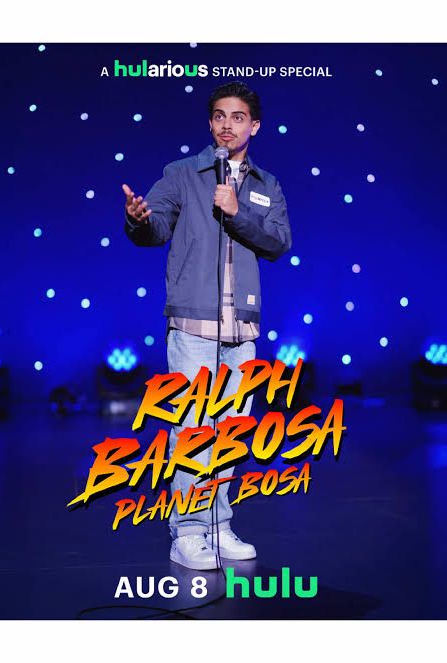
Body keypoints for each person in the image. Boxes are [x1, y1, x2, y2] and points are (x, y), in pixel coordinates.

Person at [122, 81, 291, 571]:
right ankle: (189, 533)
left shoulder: (266, 184)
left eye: (237, 117)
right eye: (219, 116)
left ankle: (219, 525)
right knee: (193, 431)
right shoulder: (182, 173)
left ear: (254, 126)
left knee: (230, 433)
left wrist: (238, 213)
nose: (226, 125)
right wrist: (138, 220)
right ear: (210, 123)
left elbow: (278, 243)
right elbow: (154, 228)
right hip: (193, 325)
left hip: (242, 327)